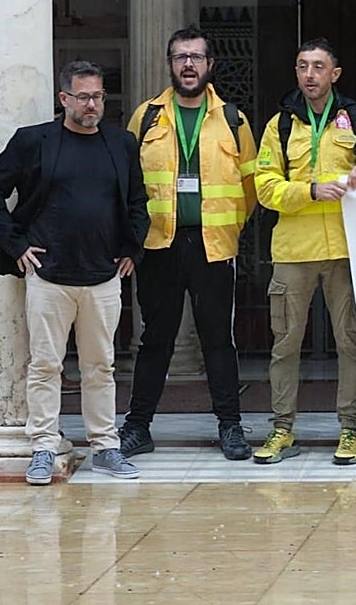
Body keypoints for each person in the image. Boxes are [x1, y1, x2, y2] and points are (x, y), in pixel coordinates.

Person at [0, 61, 148, 485]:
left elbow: (139, 202)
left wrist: (132, 248)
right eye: (84, 97)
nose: (93, 105)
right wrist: (16, 245)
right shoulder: (34, 141)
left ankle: (106, 446)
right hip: (48, 275)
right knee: (45, 366)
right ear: (64, 99)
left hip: (104, 276)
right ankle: (43, 447)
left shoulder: (121, 142)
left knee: (101, 366)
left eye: (98, 97)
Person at [119, 25, 257, 462]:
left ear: (210, 64)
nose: (189, 65)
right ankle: (137, 427)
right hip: (159, 244)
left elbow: (251, 185)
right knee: (155, 339)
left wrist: (229, 228)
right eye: (181, 57)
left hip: (213, 246)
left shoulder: (233, 119)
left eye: (196, 57)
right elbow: (128, 184)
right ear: (170, 64)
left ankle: (230, 426)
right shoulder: (145, 117)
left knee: (218, 339)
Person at [252, 37, 356, 467]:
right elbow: (264, 187)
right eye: (302, 66)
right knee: (285, 344)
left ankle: (349, 429)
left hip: (346, 248)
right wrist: (309, 191)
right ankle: (282, 427)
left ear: (334, 74)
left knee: (350, 341)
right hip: (293, 250)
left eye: (318, 67)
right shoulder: (279, 125)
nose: (309, 75)